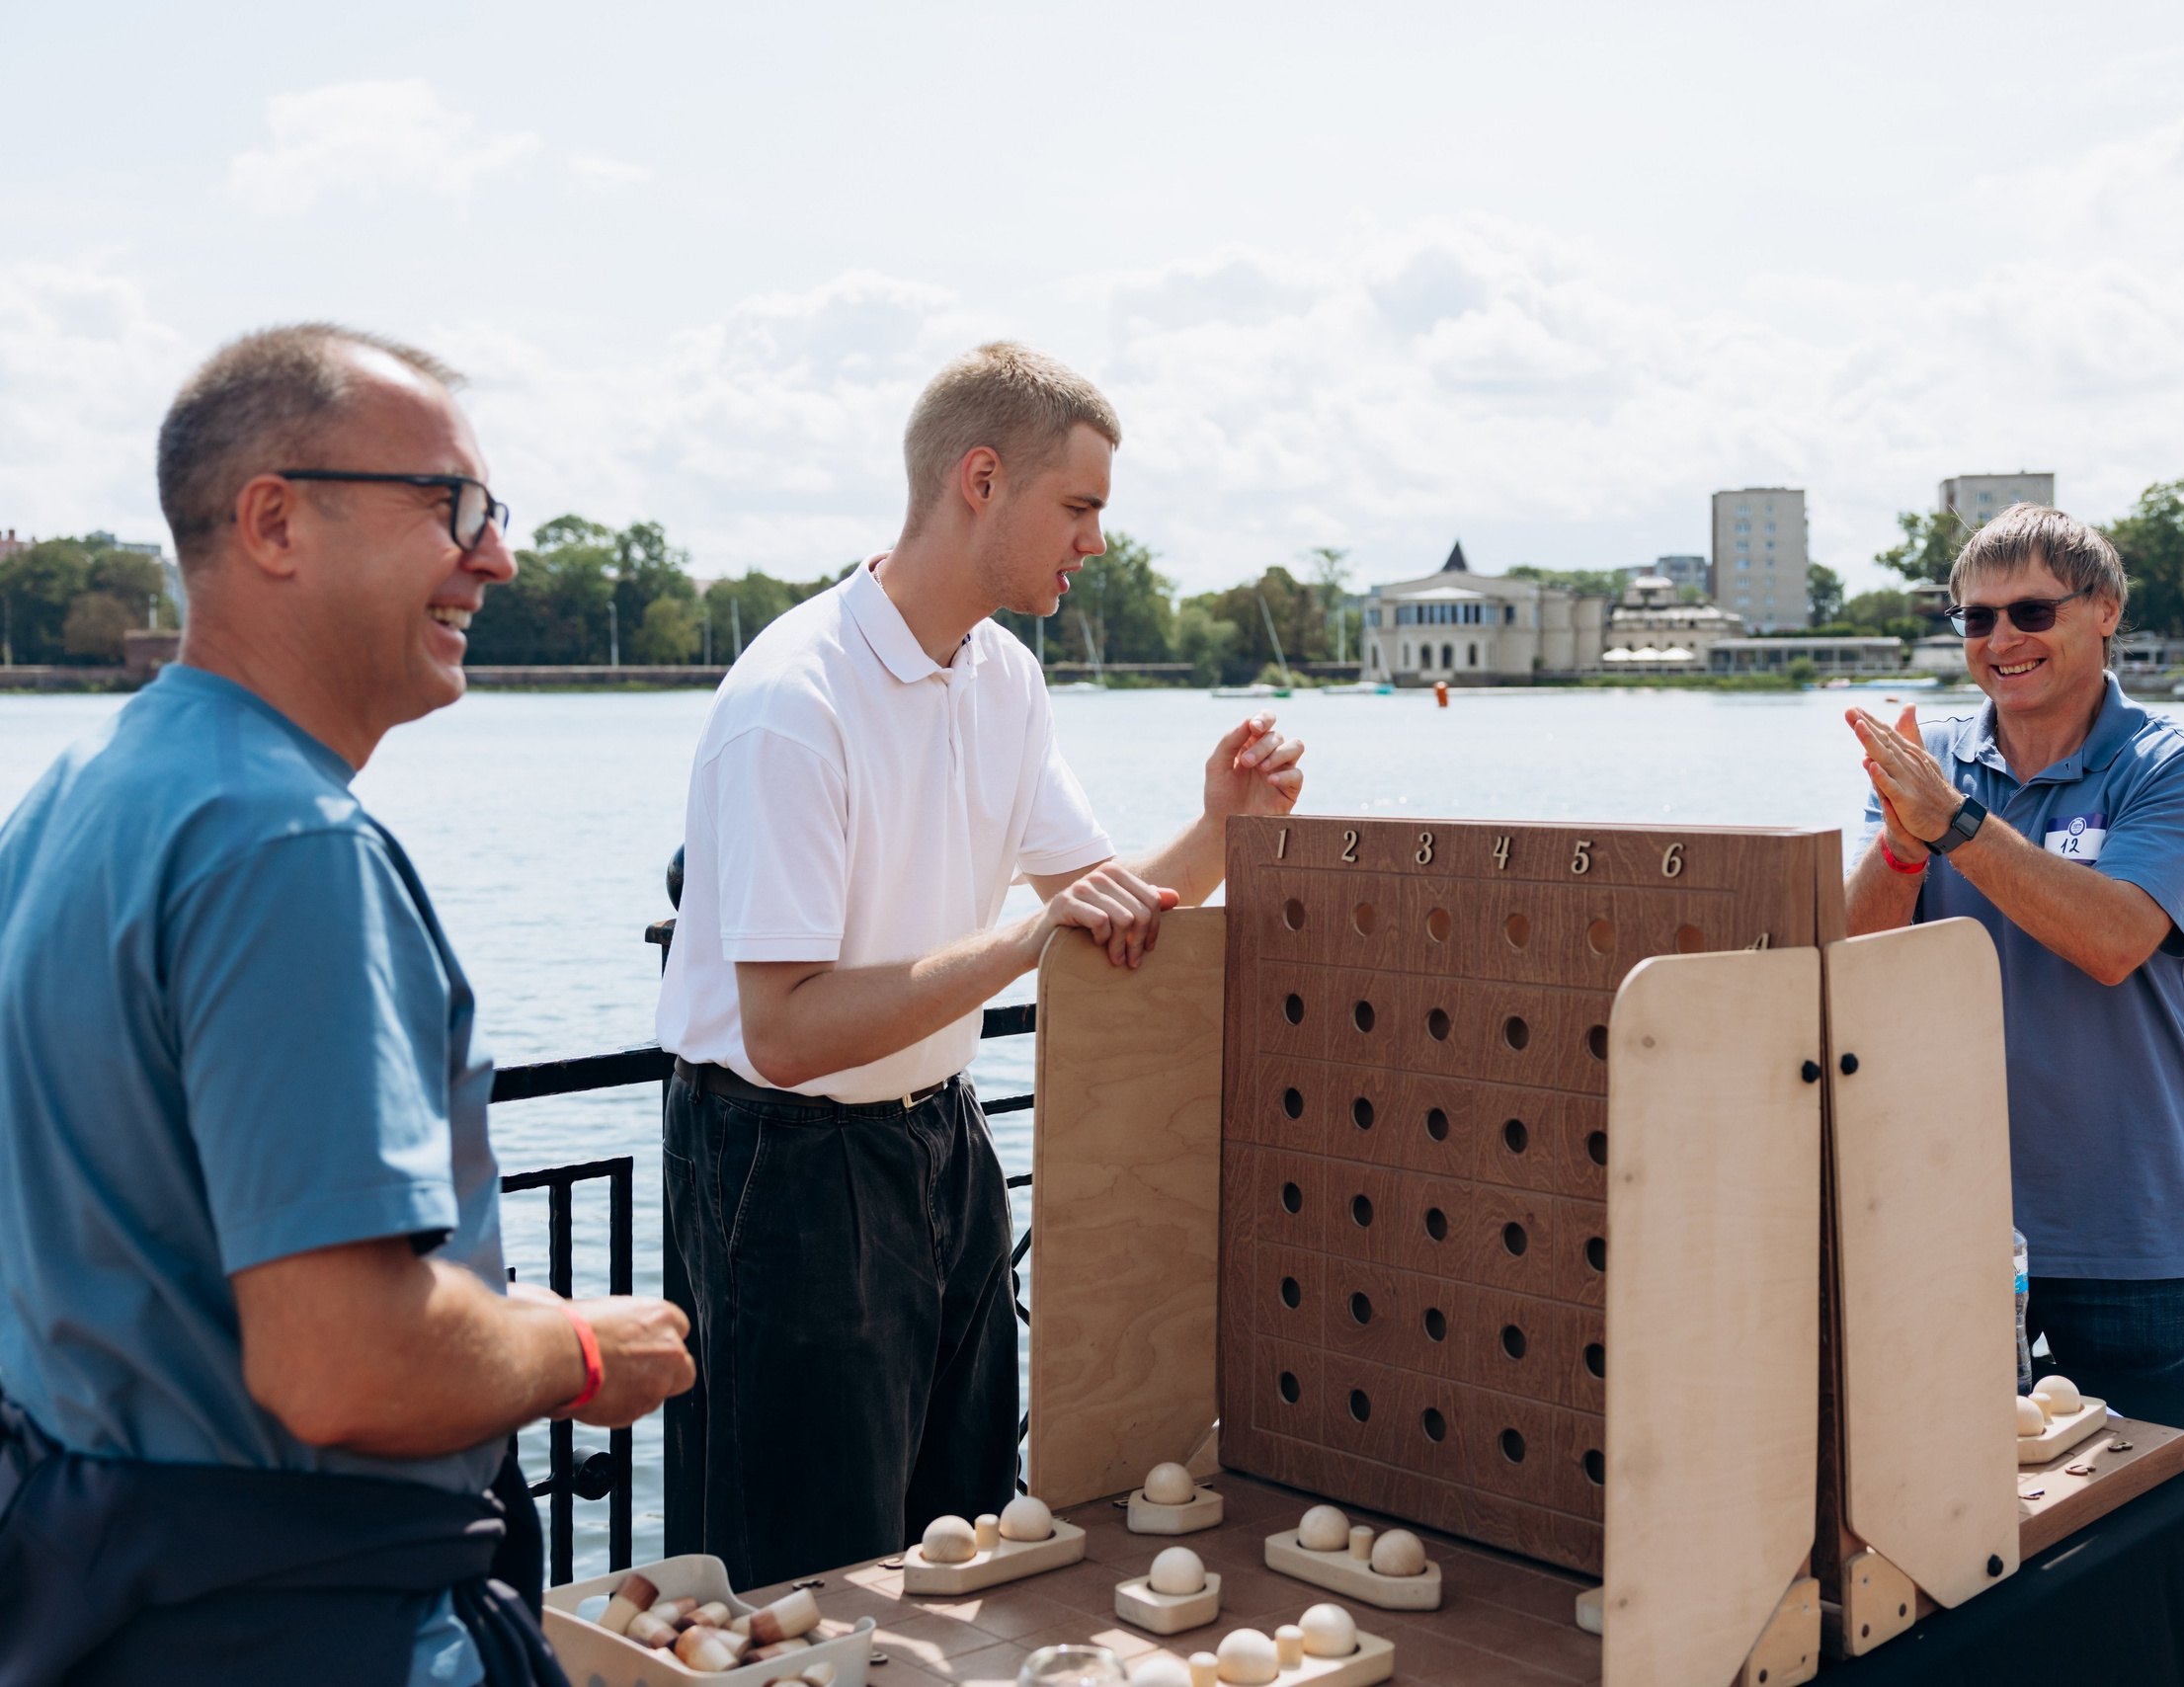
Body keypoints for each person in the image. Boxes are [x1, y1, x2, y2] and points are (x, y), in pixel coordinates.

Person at [0, 325, 694, 1685]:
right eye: (453, 506)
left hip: (96, 1603)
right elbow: (344, 1369)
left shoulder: (71, 806)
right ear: (274, 523)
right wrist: (572, 1350)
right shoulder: (286, 844)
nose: (494, 555)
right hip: (298, 1617)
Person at [655, 341, 1305, 1587]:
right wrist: (1023, 939)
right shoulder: (795, 699)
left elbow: (1096, 905)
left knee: (963, 1548)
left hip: (940, 1146)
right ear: (982, 479)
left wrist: (1222, 821)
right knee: (810, 1572)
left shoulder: (1005, 676)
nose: (1097, 541)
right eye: (1080, 506)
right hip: (778, 1165)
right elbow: (782, 1030)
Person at [1843, 504, 2184, 1397]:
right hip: (1947, 1223)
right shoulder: (1930, 757)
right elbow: (1853, 953)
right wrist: (1906, 844)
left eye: (2031, 612)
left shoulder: (2177, 766)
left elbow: (2110, 941)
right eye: (1975, 618)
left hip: (2135, 1233)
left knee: (2151, 1514)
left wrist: (1951, 822)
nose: (2000, 639)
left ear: (2104, 609)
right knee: (1951, 1517)